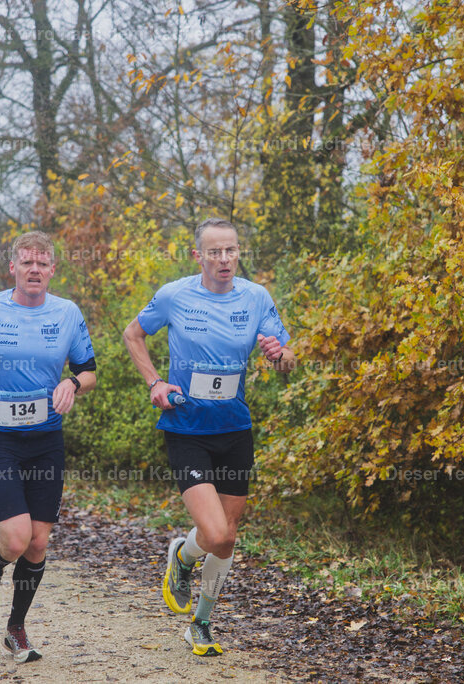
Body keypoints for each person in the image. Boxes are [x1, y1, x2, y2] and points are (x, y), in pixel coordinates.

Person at [123, 218, 295, 656]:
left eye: (231, 251)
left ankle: (201, 623)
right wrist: (154, 382)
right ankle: (181, 556)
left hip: (235, 429)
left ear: (239, 253)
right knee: (215, 534)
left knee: (229, 536)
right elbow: (133, 334)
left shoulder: (256, 297)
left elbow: (286, 357)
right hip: (186, 428)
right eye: (214, 252)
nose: (224, 260)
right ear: (197, 256)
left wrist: (280, 356)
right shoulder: (175, 295)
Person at [0, 230, 96, 663]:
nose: (34, 269)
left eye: (42, 263)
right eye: (26, 262)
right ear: (12, 267)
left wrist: (72, 382)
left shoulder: (67, 313)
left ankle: (16, 629)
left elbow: (89, 370)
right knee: (14, 538)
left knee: (38, 543)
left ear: (52, 269)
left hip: (46, 439)